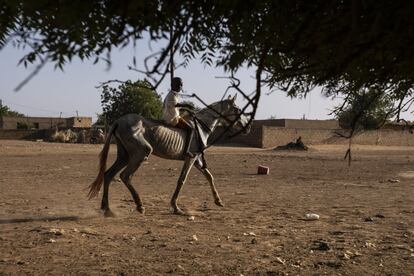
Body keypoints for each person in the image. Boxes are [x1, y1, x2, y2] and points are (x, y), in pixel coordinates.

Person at [162, 77, 195, 158]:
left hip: (174, 116)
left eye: (181, 85)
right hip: (172, 119)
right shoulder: (171, 95)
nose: (181, 87)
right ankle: (186, 151)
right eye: (179, 85)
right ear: (173, 85)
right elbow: (176, 105)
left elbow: (176, 106)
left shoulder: (173, 94)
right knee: (191, 129)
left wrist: (187, 110)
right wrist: (187, 106)